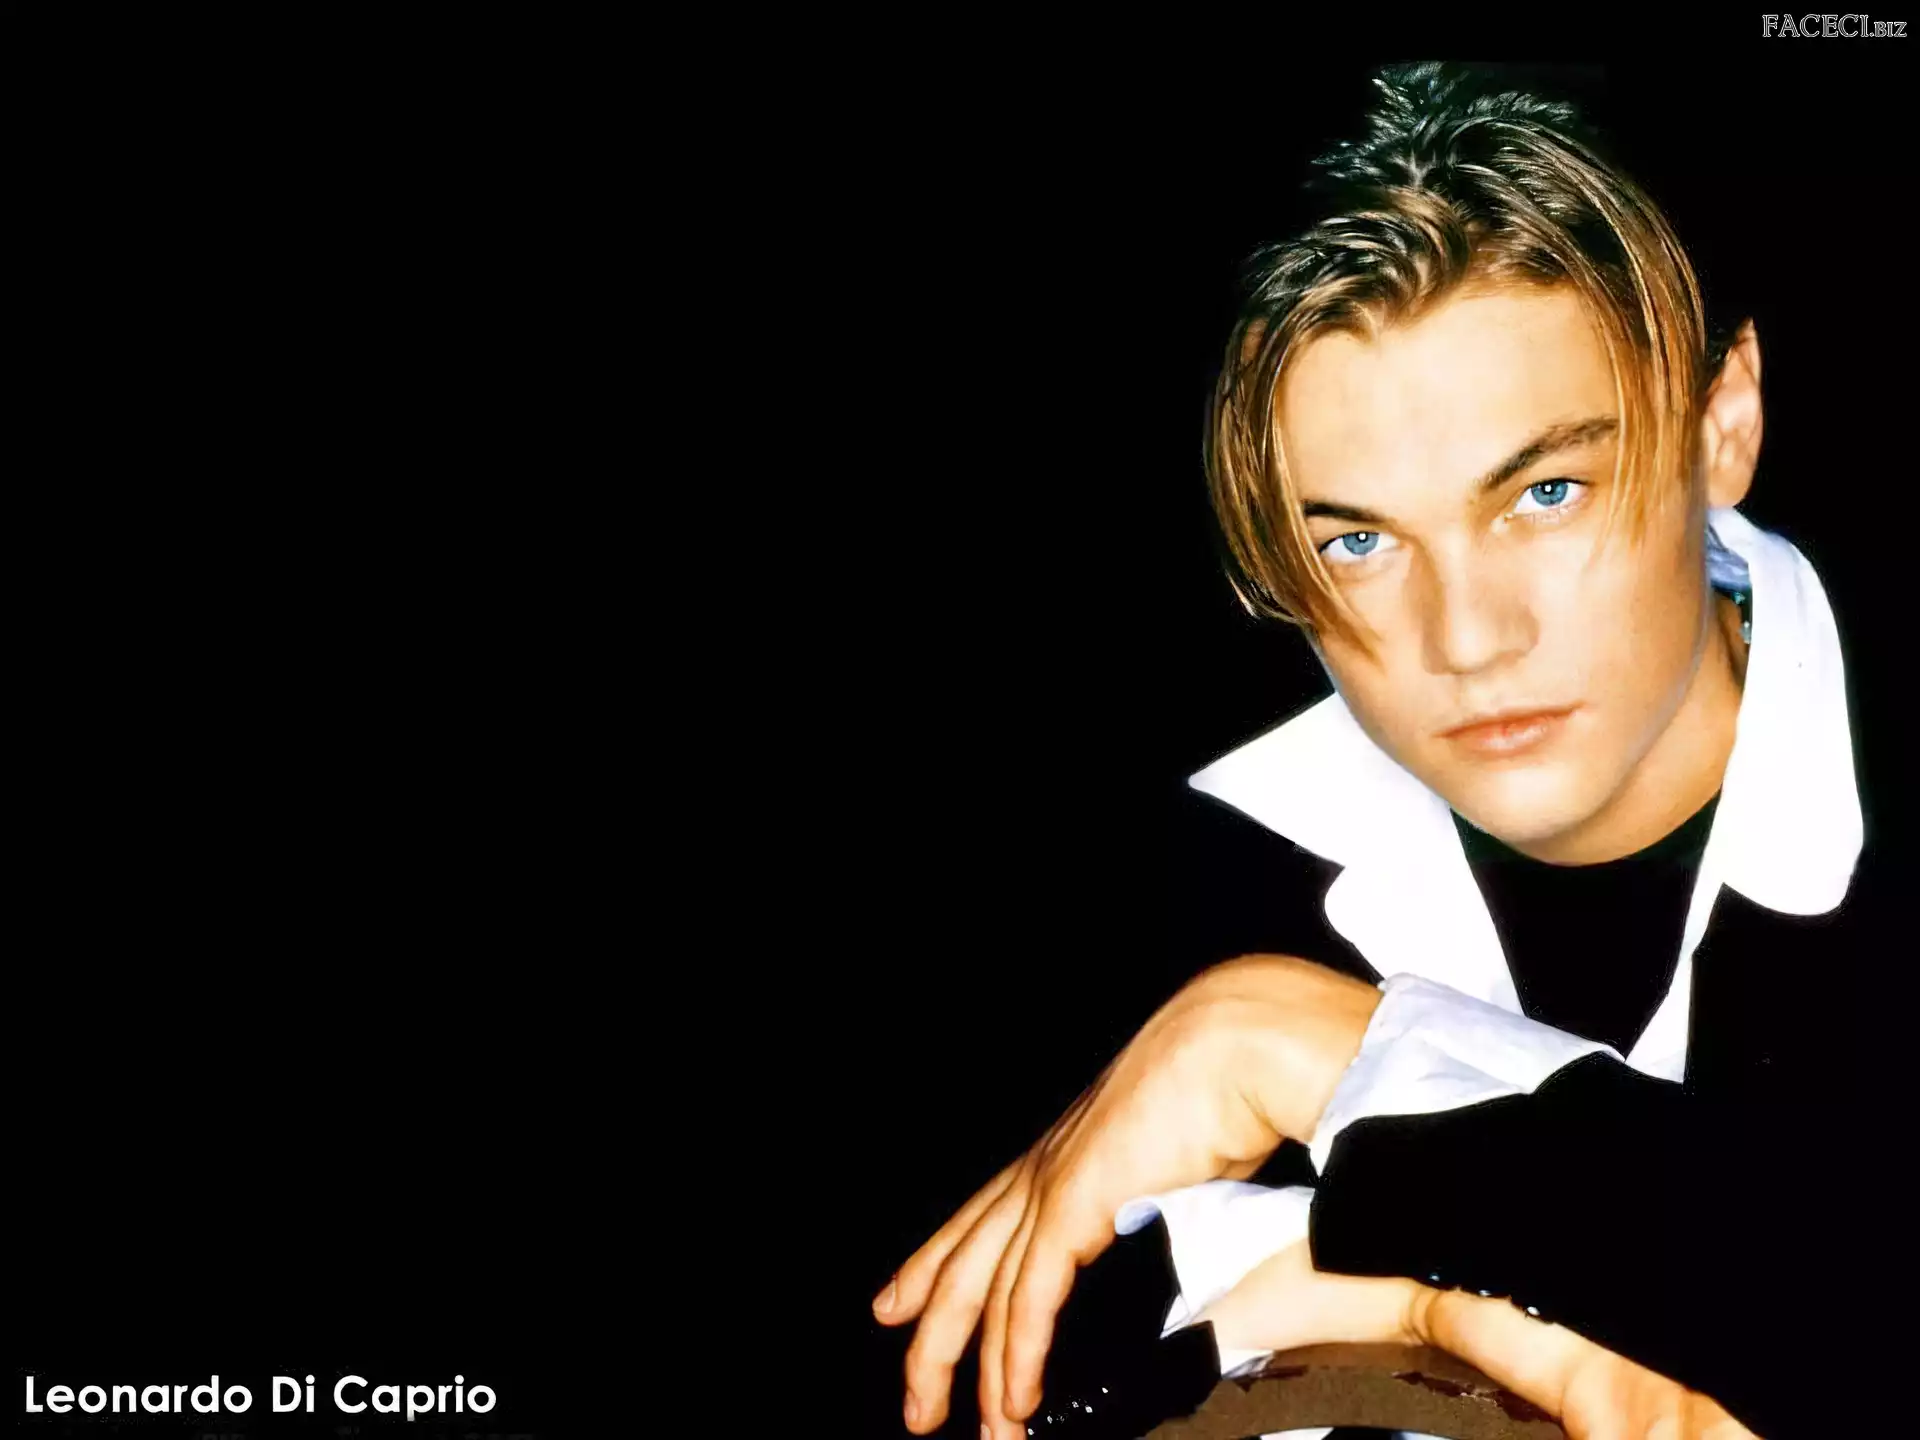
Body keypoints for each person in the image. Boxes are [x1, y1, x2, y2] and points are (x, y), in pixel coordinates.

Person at [871, 62, 1905, 1438]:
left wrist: (1316, 1053)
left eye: (1546, 493)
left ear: (1724, 426)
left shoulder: (1231, 1025)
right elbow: (990, 1383)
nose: (1466, 637)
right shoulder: (1194, 876)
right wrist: (1440, 1309)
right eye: (1358, 540)